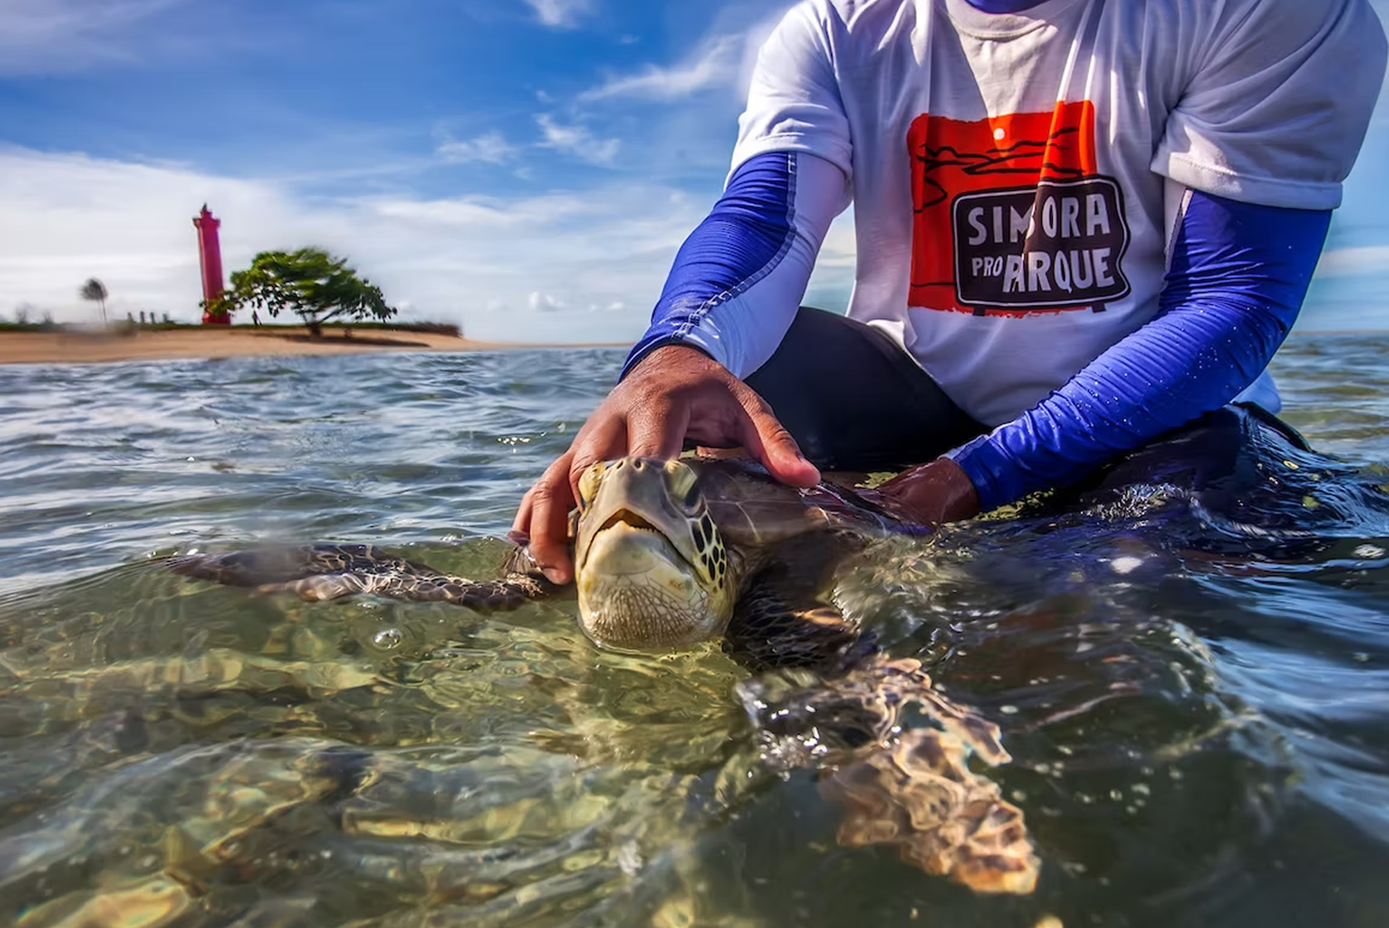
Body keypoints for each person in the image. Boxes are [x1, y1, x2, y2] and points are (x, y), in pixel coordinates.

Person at [516, 0, 1387, 585]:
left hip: (1161, 419)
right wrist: (671, 353)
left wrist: (977, 477)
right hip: (919, 391)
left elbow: (1231, 298)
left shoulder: (1268, 10)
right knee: (715, 395)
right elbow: (762, 221)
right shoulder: (837, 26)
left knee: (1121, 596)